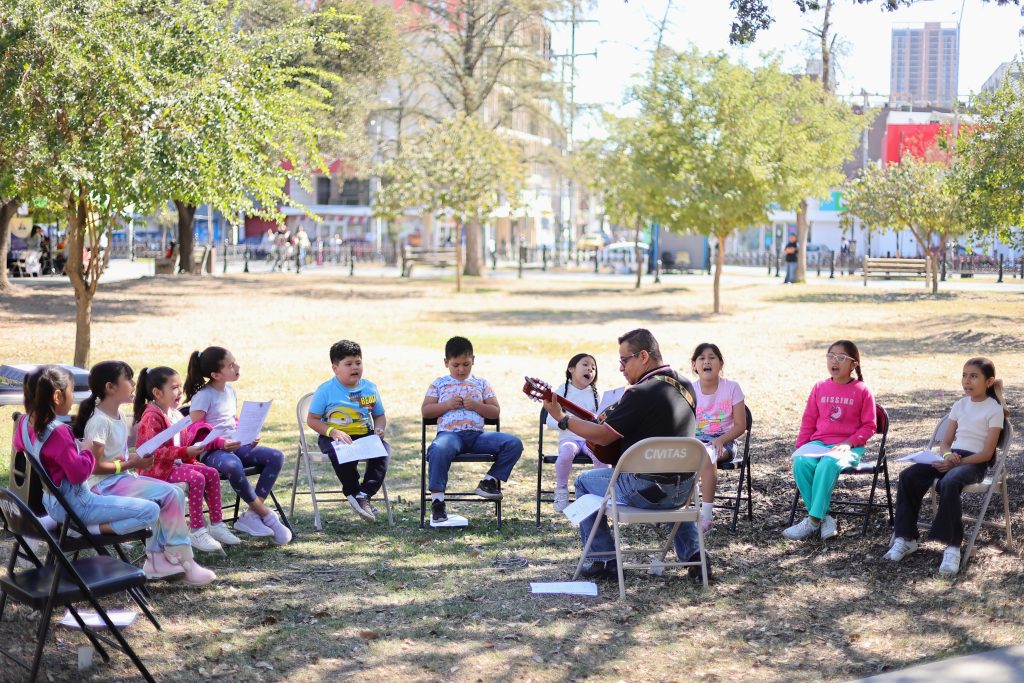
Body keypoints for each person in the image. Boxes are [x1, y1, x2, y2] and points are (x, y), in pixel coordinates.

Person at [543, 328, 705, 582]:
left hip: (645, 491)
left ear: (642, 356)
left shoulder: (640, 393)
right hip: (684, 490)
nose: (620, 368)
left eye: (623, 360)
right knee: (670, 475)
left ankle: (602, 558)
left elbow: (603, 436)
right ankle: (695, 555)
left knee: (585, 481)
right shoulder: (686, 385)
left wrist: (562, 419)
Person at [73, 362, 216, 584]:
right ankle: (184, 562)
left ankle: (157, 561)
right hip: (102, 486)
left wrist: (132, 460)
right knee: (169, 495)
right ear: (110, 387)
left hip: (120, 479)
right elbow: (93, 466)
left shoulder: (118, 415)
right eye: (128, 380)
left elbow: (116, 457)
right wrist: (130, 464)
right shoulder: (99, 421)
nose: (132, 384)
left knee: (173, 493)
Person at [884, 358, 1007, 575]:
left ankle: (952, 546)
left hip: (974, 462)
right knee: (908, 476)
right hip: (952, 458)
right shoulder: (959, 405)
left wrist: (957, 461)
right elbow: (946, 443)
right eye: (964, 375)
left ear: (989, 381)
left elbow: (987, 453)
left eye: (974, 376)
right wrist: (949, 456)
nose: (967, 381)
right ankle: (907, 538)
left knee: (950, 480)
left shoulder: (994, 409)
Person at [184, 346, 291, 545]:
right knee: (233, 464)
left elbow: (230, 420)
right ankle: (265, 514)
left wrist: (248, 432)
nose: (237, 367)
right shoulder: (204, 396)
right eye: (231, 365)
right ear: (215, 374)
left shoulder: (230, 390)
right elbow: (195, 430)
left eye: (235, 362)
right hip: (212, 452)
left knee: (276, 456)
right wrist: (221, 443)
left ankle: (250, 515)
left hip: (237, 445)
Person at [133, 366, 241, 552]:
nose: (180, 392)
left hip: (175, 466)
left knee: (211, 472)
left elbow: (186, 441)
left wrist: (207, 444)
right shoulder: (151, 416)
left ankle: (216, 525)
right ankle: (197, 529)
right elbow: (154, 453)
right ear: (157, 393)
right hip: (156, 470)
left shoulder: (175, 414)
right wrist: (185, 452)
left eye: (180, 386)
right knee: (196, 478)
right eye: (174, 387)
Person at [422, 336, 524, 523]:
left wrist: (477, 406)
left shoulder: (482, 383)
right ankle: (438, 503)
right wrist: (447, 405)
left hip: (478, 436)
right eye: (456, 365)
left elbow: (494, 412)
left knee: (514, 443)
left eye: (466, 364)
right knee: (438, 449)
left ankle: (489, 482)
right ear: (446, 363)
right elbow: (426, 410)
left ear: (473, 361)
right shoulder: (439, 383)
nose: (461, 369)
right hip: (450, 436)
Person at [784, 340, 876, 541]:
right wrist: (801, 447)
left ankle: (813, 521)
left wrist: (849, 442)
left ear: (854, 364)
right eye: (831, 356)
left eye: (841, 357)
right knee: (801, 462)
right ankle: (825, 518)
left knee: (828, 463)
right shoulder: (820, 387)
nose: (835, 361)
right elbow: (808, 420)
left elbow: (869, 426)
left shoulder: (862, 390)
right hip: (818, 443)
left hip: (849, 447)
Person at [306, 340, 390, 523]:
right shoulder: (326, 390)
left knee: (383, 450)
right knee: (340, 451)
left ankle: (364, 494)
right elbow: (312, 419)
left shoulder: (369, 388)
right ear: (335, 368)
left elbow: (380, 415)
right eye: (348, 364)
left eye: (358, 363)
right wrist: (332, 431)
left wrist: (380, 428)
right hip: (333, 435)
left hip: (364, 434)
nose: (355, 367)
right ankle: (353, 492)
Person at [690, 343, 747, 532]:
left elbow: (740, 425)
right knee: (681, 453)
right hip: (695, 440)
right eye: (702, 358)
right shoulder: (689, 390)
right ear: (694, 365)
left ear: (721, 364)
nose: (707, 361)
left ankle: (706, 517)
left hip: (725, 441)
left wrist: (721, 439)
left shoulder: (731, 387)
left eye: (712, 357)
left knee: (707, 455)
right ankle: (676, 510)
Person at [545, 353, 607, 512]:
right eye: (585, 365)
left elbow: (599, 420)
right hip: (569, 439)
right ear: (571, 369)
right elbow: (550, 421)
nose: (590, 369)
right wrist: (566, 421)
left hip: (589, 439)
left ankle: (602, 493)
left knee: (603, 457)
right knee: (565, 455)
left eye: (593, 368)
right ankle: (561, 490)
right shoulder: (562, 392)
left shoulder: (595, 393)